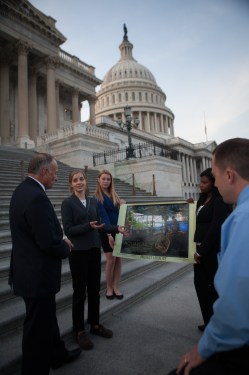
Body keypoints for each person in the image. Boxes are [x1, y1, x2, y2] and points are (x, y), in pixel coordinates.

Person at [168, 138, 249, 375]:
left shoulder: (242, 217)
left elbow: (237, 299)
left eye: (214, 175)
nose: (213, 184)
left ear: (229, 175)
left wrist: (204, 348)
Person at [8, 153, 81, 375]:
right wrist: (65, 247)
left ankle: (57, 354)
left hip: (27, 270)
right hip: (37, 275)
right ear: (45, 171)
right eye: (56, 173)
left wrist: (57, 238)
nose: (57, 178)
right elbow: (47, 242)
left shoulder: (22, 190)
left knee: (47, 318)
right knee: (36, 330)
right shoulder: (36, 197)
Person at [61, 170, 125, 351]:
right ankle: (79, 331)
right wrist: (86, 227)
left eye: (81, 179)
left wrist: (117, 228)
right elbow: (69, 229)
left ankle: (95, 325)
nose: (79, 182)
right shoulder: (68, 203)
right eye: (75, 180)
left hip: (94, 249)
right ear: (71, 184)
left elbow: (102, 223)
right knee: (79, 293)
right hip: (78, 252)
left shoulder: (92, 201)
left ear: (86, 182)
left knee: (95, 290)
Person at [192, 168, 232, 332]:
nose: (201, 185)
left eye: (204, 182)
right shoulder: (202, 199)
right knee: (200, 285)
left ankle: (218, 324)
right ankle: (208, 321)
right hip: (199, 249)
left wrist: (202, 251)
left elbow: (216, 228)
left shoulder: (220, 200)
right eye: (200, 182)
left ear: (214, 183)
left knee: (214, 288)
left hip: (211, 250)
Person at [95, 169, 125, 300]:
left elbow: (120, 213)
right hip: (107, 231)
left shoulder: (114, 195)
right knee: (111, 260)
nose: (106, 181)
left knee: (118, 259)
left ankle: (116, 286)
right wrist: (109, 234)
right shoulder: (97, 197)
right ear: (98, 180)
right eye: (103, 179)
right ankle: (109, 287)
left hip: (119, 230)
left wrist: (123, 205)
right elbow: (103, 217)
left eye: (108, 179)